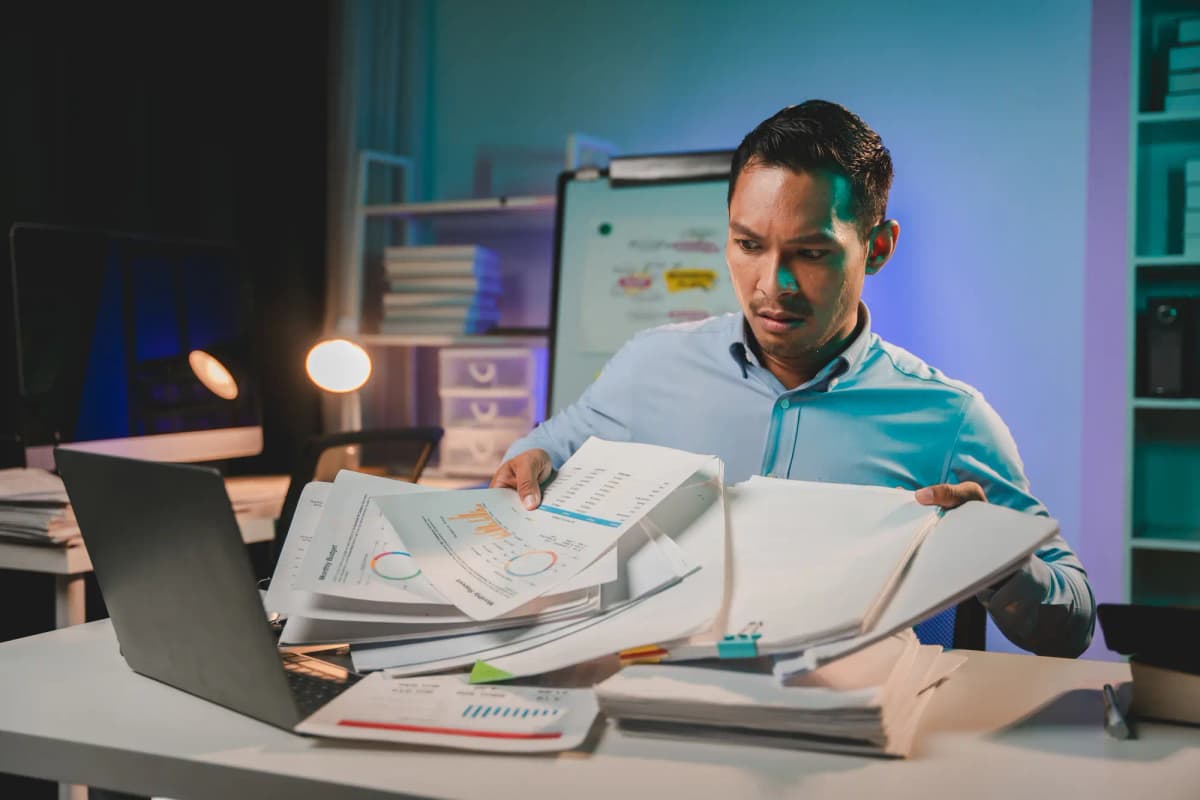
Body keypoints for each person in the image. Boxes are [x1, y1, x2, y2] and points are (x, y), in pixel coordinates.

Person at [490, 100, 1094, 658]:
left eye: (810, 253)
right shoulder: (649, 367)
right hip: (654, 707)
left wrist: (998, 562)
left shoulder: (950, 420)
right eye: (748, 244)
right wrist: (528, 461)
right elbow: (540, 454)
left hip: (843, 741)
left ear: (878, 248)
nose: (771, 284)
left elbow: (1071, 625)